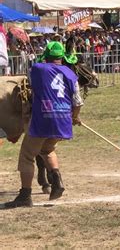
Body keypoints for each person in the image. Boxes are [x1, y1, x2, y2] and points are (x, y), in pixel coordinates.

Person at [3, 41, 83, 208]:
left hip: (43, 117)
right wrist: (75, 117)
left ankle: (25, 195)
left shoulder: (38, 69)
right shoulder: (70, 74)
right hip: (62, 118)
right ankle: (57, 182)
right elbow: (77, 102)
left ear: (47, 54)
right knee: (47, 149)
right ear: (62, 56)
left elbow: (30, 83)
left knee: (27, 155)